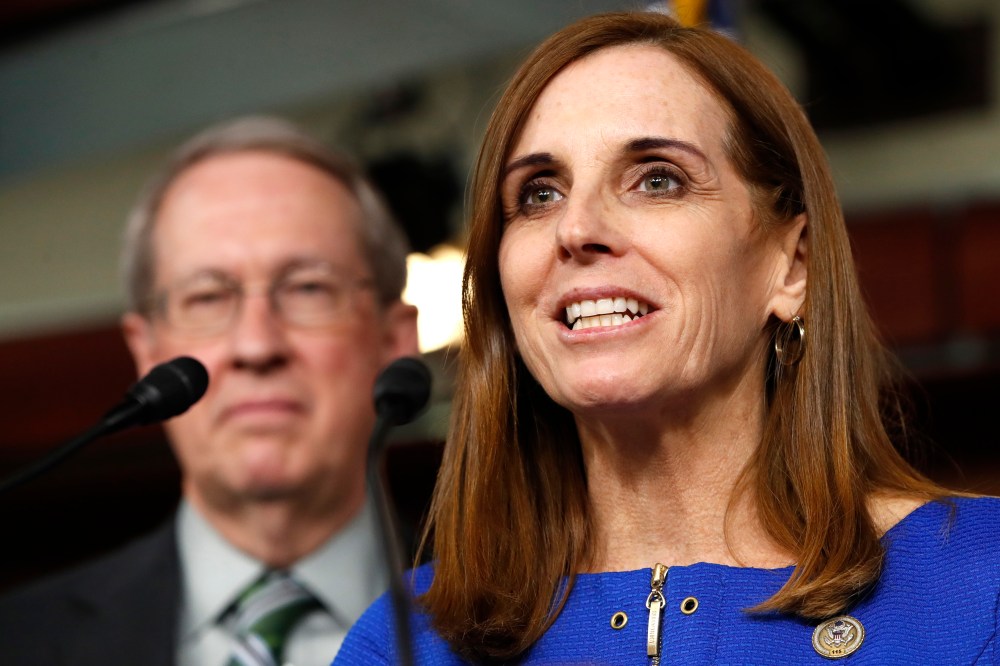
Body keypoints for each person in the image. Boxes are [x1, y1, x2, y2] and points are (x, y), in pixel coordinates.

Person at [335, 11, 1000, 664]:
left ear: (791, 266)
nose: (576, 228)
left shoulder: (979, 585)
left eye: (658, 180)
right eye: (539, 193)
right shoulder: (407, 641)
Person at [0, 116, 419, 666]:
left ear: (394, 340)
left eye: (308, 288)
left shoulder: (534, 626)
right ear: (146, 351)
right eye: (206, 299)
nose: (255, 345)